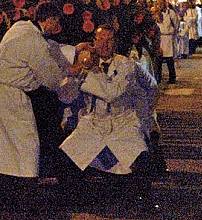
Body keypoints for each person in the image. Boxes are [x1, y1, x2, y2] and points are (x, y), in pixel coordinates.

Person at [0, 1, 77, 203]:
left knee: (3, 146)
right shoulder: (33, 40)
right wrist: (69, 75)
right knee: (27, 143)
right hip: (12, 96)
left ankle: (6, 193)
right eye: (55, 22)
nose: (55, 28)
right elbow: (50, 78)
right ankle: (25, 196)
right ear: (48, 20)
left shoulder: (19, 28)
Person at [59, 24, 153, 177]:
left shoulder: (126, 64)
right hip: (93, 123)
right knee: (67, 157)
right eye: (101, 39)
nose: (104, 44)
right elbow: (65, 95)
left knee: (139, 160)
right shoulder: (84, 63)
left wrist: (89, 72)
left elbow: (112, 93)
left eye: (109, 40)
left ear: (115, 42)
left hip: (122, 122)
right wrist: (74, 74)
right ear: (94, 42)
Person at [154, 0, 178, 84]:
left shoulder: (171, 13)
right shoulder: (156, 14)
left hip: (168, 37)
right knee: (159, 59)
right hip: (159, 37)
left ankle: (172, 77)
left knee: (169, 59)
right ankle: (158, 77)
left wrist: (173, 32)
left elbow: (176, 24)